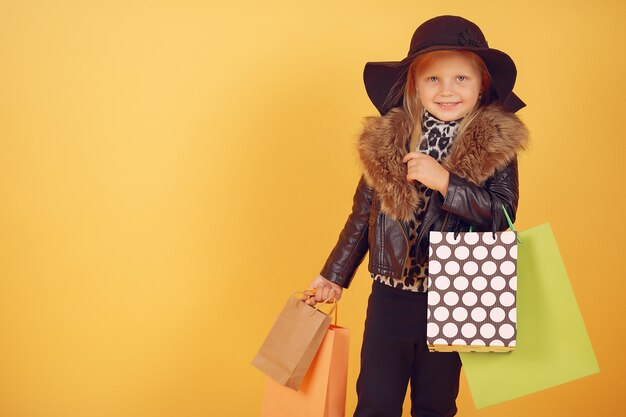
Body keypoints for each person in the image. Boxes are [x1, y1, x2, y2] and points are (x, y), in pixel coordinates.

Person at [305, 15, 529, 417]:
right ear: (415, 85)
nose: (447, 90)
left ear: (482, 86)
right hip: (390, 296)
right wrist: (333, 275)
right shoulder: (390, 141)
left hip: (456, 293)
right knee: (375, 400)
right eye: (434, 79)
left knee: (435, 403)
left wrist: (447, 181)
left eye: (461, 79)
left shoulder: (497, 145)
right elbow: (363, 216)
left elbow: (502, 213)